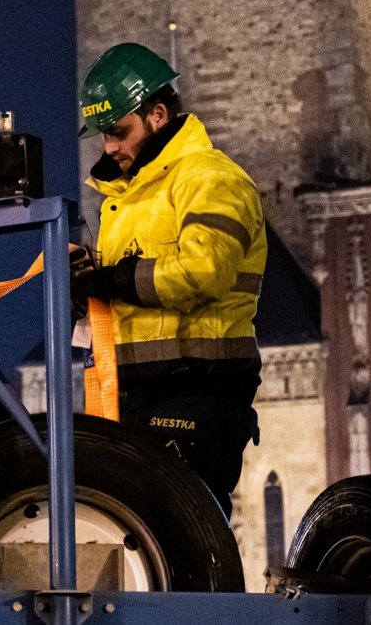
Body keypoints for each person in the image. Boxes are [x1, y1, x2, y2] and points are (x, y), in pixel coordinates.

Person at [70, 43, 267, 516]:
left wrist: (112, 281)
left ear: (158, 115)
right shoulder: (129, 198)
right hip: (136, 393)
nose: (110, 148)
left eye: (118, 132)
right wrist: (85, 288)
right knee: (139, 533)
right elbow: (129, 293)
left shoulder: (212, 178)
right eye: (103, 136)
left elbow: (206, 271)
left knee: (186, 535)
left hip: (199, 389)